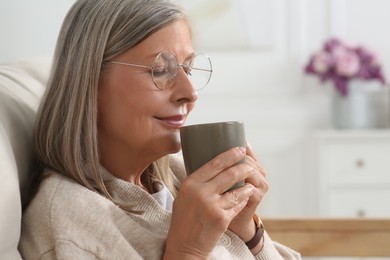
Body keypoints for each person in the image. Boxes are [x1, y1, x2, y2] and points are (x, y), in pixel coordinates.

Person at [19, 0, 301, 259]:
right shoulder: (70, 223)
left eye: (187, 68)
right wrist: (187, 250)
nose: (190, 93)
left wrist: (247, 232)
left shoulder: (180, 176)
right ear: (89, 81)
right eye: (159, 70)